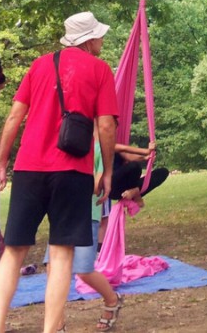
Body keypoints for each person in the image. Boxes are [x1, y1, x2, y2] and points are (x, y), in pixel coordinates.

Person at [0, 11, 117, 333]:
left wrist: (1, 162)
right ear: (89, 39)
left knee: (14, 251)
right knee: (61, 255)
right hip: (73, 171)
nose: (102, 40)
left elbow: (14, 117)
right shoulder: (101, 70)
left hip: (29, 168)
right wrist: (108, 170)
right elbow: (105, 124)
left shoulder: (40, 65)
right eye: (99, 35)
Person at [45, 135, 122, 332]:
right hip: (61, 212)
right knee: (52, 268)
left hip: (86, 213)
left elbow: (97, 186)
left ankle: (112, 300)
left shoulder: (98, 148)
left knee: (83, 269)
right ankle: (57, 323)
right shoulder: (59, 143)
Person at [110, 140, 169, 208]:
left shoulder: (116, 145)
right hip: (113, 188)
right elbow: (124, 149)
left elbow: (128, 155)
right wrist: (147, 151)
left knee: (162, 172)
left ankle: (133, 192)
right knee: (134, 166)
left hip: (128, 187)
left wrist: (145, 158)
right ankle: (136, 192)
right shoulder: (103, 145)